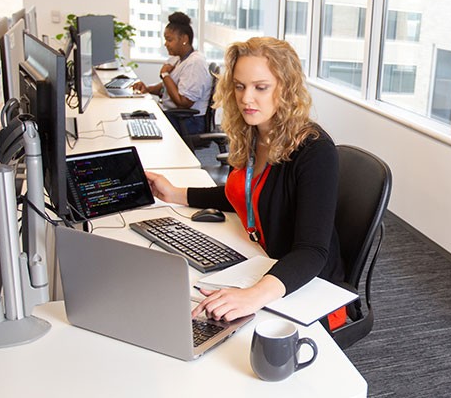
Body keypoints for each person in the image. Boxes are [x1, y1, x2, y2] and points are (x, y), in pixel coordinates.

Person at [145, 37, 346, 330]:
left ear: (285, 88)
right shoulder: (253, 133)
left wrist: (253, 296)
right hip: (259, 260)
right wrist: (175, 194)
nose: (246, 98)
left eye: (260, 87)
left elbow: (312, 251)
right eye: (239, 86)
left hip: (304, 283)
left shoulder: (314, 150)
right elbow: (245, 194)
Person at [132, 11, 211, 135]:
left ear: (184, 39)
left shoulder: (195, 62)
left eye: (169, 40)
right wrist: (147, 89)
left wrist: (165, 75)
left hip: (189, 122)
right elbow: (167, 89)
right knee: (135, 119)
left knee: (139, 125)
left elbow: (184, 102)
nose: (166, 44)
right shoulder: (179, 59)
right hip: (175, 116)